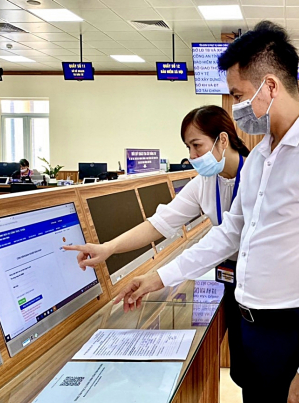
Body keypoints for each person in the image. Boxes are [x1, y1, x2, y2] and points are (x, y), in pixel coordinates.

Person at [109, 21, 299, 403]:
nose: (236, 108)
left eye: (238, 95)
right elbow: (231, 232)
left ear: (271, 86)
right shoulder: (262, 156)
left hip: (292, 333)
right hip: (251, 329)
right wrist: (159, 277)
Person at [63, 105, 250, 385]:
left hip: (258, 281)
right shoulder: (205, 182)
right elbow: (159, 223)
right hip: (229, 276)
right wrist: (109, 248)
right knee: (244, 370)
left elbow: (225, 239)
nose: (192, 156)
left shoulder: (255, 177)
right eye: (188, 147)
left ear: (222, 140)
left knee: (262, 369)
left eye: (197, 145)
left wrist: (159, 277)